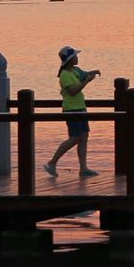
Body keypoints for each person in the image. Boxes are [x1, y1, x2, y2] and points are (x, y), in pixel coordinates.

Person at [44, 45, 101, 178]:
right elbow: (73, 91)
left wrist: (93, 72)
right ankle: (52, 162)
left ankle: (83, 168)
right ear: (70, 59)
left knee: (84, 137)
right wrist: (86, 81)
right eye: (75, 56)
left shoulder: (75, 70)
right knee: (75, 138)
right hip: (71, 109)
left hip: (81, 108)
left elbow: (84, 75)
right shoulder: (65, 75)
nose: (77, 58)